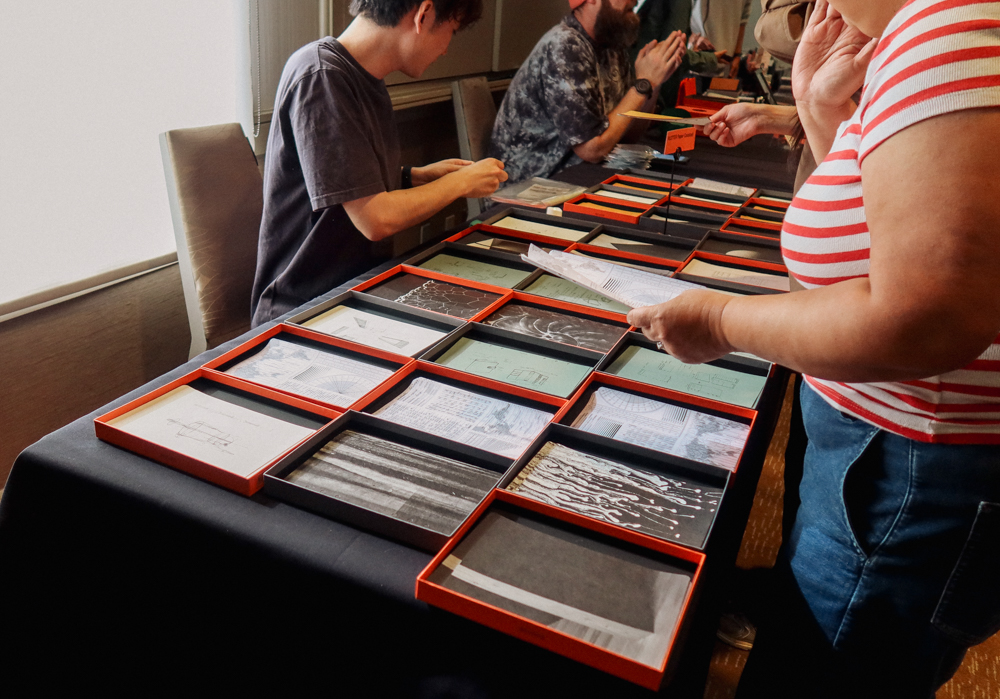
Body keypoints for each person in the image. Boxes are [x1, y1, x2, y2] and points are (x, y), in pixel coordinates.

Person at [628, 0, 1000, 695]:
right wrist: (818, 108)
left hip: (906, 467)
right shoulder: (913, 34)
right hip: (889, 457)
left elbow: (923, 320)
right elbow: (874, 238)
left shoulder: (947, 24)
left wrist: (720, 321)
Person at [251, 0, 508, 326]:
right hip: (302, 310)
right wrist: (459, 184)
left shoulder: (363, 76)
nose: (445, 49)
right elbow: (374, 218)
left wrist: (414, 176)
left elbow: (344, 186)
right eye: (451, 32)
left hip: (357, 290)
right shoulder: (321, 75)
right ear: (424, 14)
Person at [489, 0, 686, 183]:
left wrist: (655, 81)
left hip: (579, 180)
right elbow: (592, 149)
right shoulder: (565, 45)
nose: (635, 1)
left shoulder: (611, 45)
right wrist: (644, 83)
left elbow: (625, 134)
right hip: (531, 190)